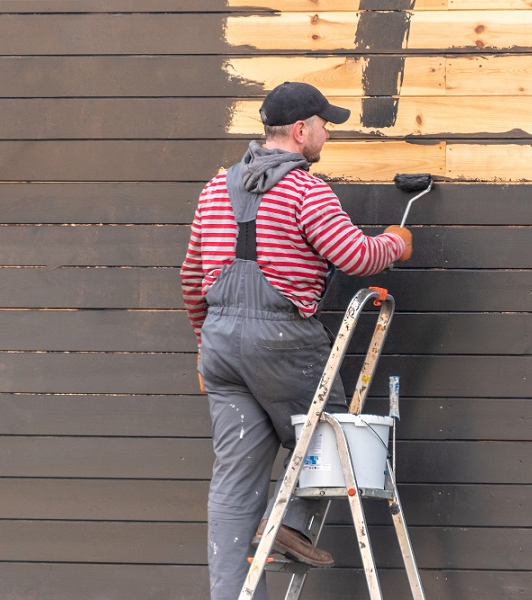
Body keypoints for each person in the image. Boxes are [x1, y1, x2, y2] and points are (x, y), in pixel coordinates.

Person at [180, 81, 413, 600]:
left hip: (221, 347)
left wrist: (204, 346)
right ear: (302, 130)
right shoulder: (305, 189)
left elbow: (192, 278)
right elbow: (355, 256)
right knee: (332, 436)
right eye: (325, 124)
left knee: (235, 480)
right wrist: (395, 243)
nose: (327, 133)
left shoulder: (215, 188)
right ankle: (291, 524)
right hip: (281, 339)